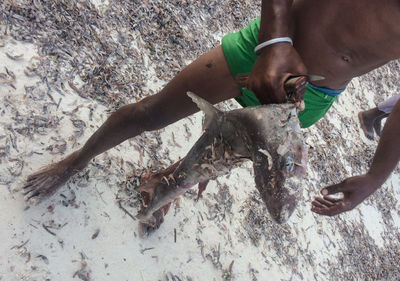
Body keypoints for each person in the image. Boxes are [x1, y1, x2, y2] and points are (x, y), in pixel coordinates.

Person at [24, 0, 400, 222]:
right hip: (265, 45)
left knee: (218, 154)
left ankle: (162, 185)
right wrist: (276, 42)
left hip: (313, 93)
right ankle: (78, 159)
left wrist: (376, 176)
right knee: (152, 113)